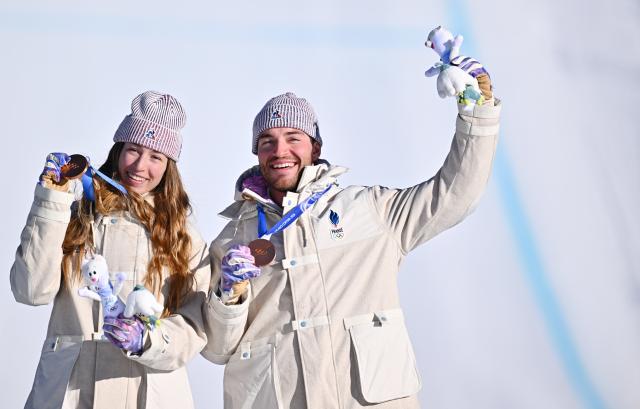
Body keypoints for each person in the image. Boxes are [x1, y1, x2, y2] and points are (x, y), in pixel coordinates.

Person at [201, 56, 501, 407]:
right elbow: (217, 349)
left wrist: (476, 112)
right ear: (256, 152)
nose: (280, 151)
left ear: (315, 148)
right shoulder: (232, 239)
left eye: (293, 138)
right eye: (267, 141)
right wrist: (228, 295)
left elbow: (454, 193)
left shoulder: (368, 211)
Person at [11, 91, 213, 409]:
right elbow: (31, 291)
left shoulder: (183, 236)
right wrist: (51, 199)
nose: (140, 166)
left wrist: (148, 342)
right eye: (133, 150)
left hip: (149, 393)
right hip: (70, 391)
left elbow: (194, 326)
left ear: (169, 166)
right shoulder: (75, 213)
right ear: (119, 150)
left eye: (156, 156)